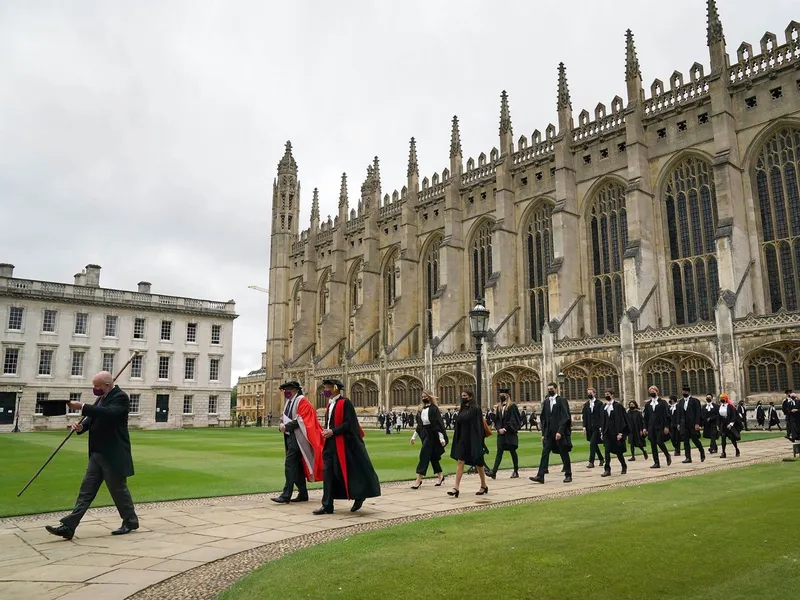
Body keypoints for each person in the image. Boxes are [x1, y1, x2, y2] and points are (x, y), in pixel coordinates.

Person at [45, 371, 138, 540]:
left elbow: (108, 413)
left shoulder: (120, 397)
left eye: (97, 386)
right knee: (86, 491)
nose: (94, 389)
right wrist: (82, 427)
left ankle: (130, 521)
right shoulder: (102, 398)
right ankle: (69, 526)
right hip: (97, 453)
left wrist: (81, 406)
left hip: (113, 453)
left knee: (118, 490)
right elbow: (94, 417)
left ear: (107, 385)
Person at [313, 379, 381, 515]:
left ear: (335, 388)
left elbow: (349, 423)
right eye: (325, 387)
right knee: (328, 474)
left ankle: (359, 495)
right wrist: (326, 431)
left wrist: (333, 431)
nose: (325, 390)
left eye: (327, 387)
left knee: (345, 473)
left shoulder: (345, 403)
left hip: (343, 445)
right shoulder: (330, 404)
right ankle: (327, 505)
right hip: (329, 444)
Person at [271, 381, 323, 504]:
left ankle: (286, 494)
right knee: (297, 466)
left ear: (294, 390)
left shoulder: (302, 401)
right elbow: (283, 417)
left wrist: (286, 426)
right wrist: (281, 425)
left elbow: (302, 419)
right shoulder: (289, 403)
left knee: (290, 464)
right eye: (284, 390)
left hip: (299, 438)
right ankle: (303, 493)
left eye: (287, 389)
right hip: (290, 437)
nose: (285, 392)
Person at [447, 390, 489, 497]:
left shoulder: (475, 409)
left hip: (473, 439)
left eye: (465, 396)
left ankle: (484, 485)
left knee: (478, 463)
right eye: (462, 395)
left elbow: (478, 426)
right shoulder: (463, 408)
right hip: (463, 439)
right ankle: (456, 488)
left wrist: (479, 441)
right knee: (460, 461)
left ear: (470, 397)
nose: (463, 397)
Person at [530, 381, 573, 484]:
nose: (550, 391)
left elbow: (565, 417)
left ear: (556, 389)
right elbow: (544, 418)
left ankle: (568, 474)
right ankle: (540, 476)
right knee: (545, 453)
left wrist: (560, 431)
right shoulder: (546, 402)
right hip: (549, 433)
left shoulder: (562, 400)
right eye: (548, 390)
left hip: (559, 433)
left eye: (552, 389)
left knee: (564, 453)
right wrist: (543, 434)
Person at [410, 392, 448, 488]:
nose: (423, 398)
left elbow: (438, 425)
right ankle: (440, 477)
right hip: (425, 434)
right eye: (422, 397)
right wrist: (414, 437)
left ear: (429, 397)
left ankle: (418, 480)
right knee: (433, 457)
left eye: (425, 396)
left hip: (433, 434)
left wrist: (441, 438)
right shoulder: (421, 409)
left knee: (424, 455)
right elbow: (420, 425)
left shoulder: (434, 409)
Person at [487, 388, 522, 479]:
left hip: (509, 433)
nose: (501, 395)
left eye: (503, 394)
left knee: (512, 452)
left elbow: (514, 420)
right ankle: (494, 472)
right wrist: (498, 428)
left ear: (507, 395)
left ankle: (516, 471)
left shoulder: (512, 406)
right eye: (500, 394)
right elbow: (498, 420)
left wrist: (505, 429)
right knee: (499, 452)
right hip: (501, 434)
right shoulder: (499, 407)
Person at [600, 390, 629, 477]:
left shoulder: (618, 406)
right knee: (607, 451)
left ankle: (623, 465)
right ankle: (607, 469)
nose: (606, 396)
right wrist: (602, 432)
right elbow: (602, 420)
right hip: (607, 432)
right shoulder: (603, 407)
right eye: (605, 394)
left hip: (616, 432)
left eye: (608, 394)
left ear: (612, 395)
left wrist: (621, 433)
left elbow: (622, 420)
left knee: (618, 452)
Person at [643, 386, 672, 469]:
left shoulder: (663, 403)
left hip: (660, 426)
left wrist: (666, 426)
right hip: (651, 427)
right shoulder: (648, 404)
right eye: (650, 391)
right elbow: (646, 417)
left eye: (653, 391)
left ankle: (667, 455)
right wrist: (645, 427)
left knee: (659, 441)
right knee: (653, 445)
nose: (652, 392)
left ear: (657, 391)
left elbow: (667, 415)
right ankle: (656, 462)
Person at [676, 386, 705, 463]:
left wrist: (697, 423)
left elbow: (698, 413)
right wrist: (678, 423)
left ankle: (701, 452)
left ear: (688, 392)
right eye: (683, 391)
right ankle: (688, 457)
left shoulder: (695, 401)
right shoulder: (681, 402)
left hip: (692, 424)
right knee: (685, 441)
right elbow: (679, 413)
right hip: (684, 424)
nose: (684, 393)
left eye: (685, 391)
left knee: (695, 440)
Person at [581, 387, 605, 469]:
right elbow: (584, 416)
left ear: (594, 393)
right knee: (594, 444)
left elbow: (602, 416)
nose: (589, 394)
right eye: (588, 393)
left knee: (592, 443)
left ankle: (591, 462)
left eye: (591, 393)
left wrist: (602, 427)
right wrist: (584, 427)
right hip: (589, 427)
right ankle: (601, 459)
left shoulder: (599, 403)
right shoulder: (586, 404)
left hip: (597, 427)